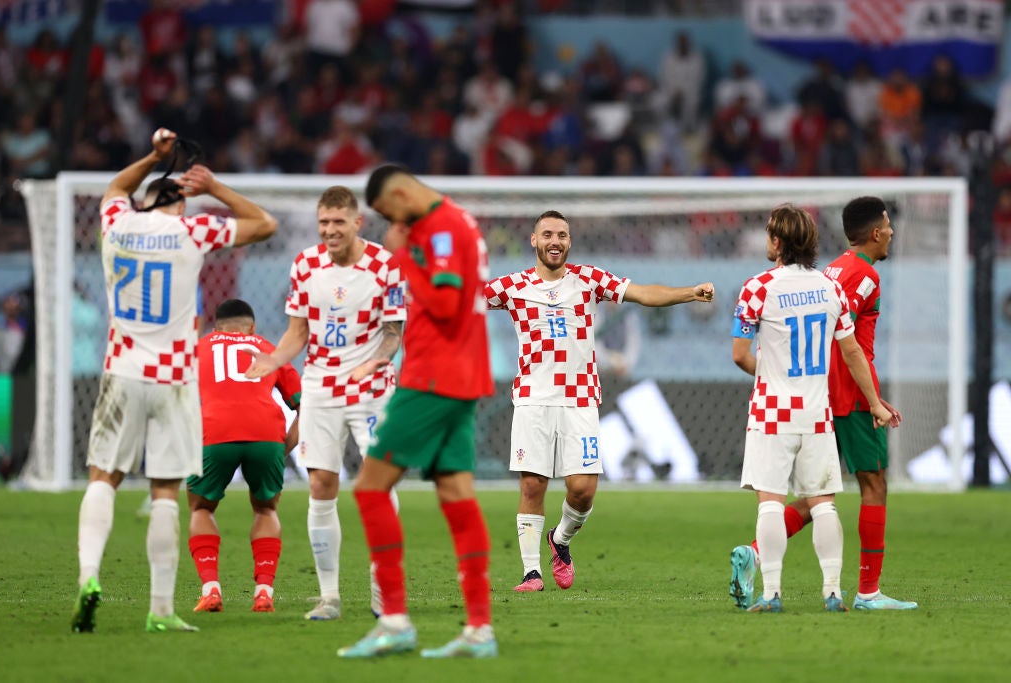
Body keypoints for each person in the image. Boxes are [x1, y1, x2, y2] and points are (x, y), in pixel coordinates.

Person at [71, 127, 278, 634]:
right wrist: (212, 188)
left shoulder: (118, 223)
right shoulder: (193, 232)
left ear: (143, 203)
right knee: (166, 490)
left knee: (104, 478)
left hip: (122, 371)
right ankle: (161, 610)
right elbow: (265, 224)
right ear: (180, 205)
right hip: (175, 380)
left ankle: (89, 578)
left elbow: (115, 189)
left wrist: (154, 156)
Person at [484, 210, 715, 593]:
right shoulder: (511, 287)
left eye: (562, 234)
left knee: (583, 489)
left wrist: (688, 292)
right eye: (547, 234)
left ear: (569, 241)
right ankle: (531, 573)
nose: (555, 241)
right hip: (532, 398)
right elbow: (460, 301)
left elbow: (642, 293)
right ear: (533, 240)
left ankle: (560, 540)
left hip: (580, 398)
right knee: (532, 484)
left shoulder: (588, 280)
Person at [333, 164, 496, 659]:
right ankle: (478, 629)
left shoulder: (440, 228)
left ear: (402, 193)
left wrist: (403, 258)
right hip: (463, 373)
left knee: (370, 487)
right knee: (456, 492)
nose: (392, 224)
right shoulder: (459, 220)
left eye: (389, 212)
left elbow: (445, 303)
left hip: (433, 376)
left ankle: (395, 621)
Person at [730, 197, 916, 611]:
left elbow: (741, 354)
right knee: (857, 489)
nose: (891, 232)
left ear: (778, 241)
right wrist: (872, 399)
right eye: (887, 225)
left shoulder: (762, 285)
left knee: (778, 498)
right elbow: (848, 350)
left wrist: (777, 372)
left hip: (777, 407)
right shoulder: (847, 280)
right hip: (831, 401)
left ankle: (768, 582)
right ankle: (856, 592)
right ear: (875, 232)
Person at [244, 185, 406, 621]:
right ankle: (329, 596)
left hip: (370, 388)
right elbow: (298, 330)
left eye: (338, 223)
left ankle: (382, 587)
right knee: (320, 485)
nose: (330, 231)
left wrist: (377, 362)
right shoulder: (305, 264)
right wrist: (275, 359)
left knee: (378, 485)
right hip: (321, 387)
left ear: (357, 223)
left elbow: (394, 331)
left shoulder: (384, 266)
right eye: (323, 224)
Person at [187, 299, 301, 614]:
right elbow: (305, 405)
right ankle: (263, 593)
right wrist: (284, 446)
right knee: (266, 508)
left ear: (215, 328)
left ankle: (210, 590)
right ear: (251, 327)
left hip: (214, 431)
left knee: (201, 507)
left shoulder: (199, 348)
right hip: (266, 433)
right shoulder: (268, 347)